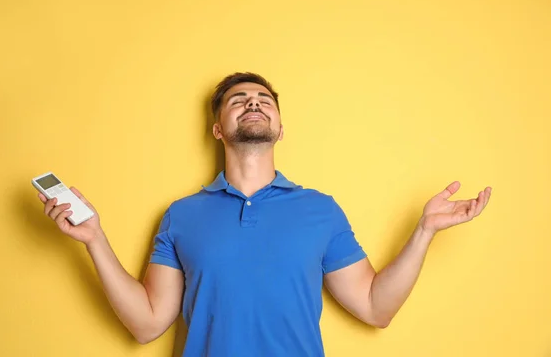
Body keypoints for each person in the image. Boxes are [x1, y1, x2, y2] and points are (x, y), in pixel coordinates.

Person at [36, 72, 492, 356]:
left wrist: (424, 232)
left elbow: (375, 308)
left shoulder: (320, 210)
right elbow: (147, 324)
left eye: (263, 99)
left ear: (279, 127)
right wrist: (95, 239)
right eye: (238, 100)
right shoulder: (181, 215)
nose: (253, 102)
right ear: (218, 128)